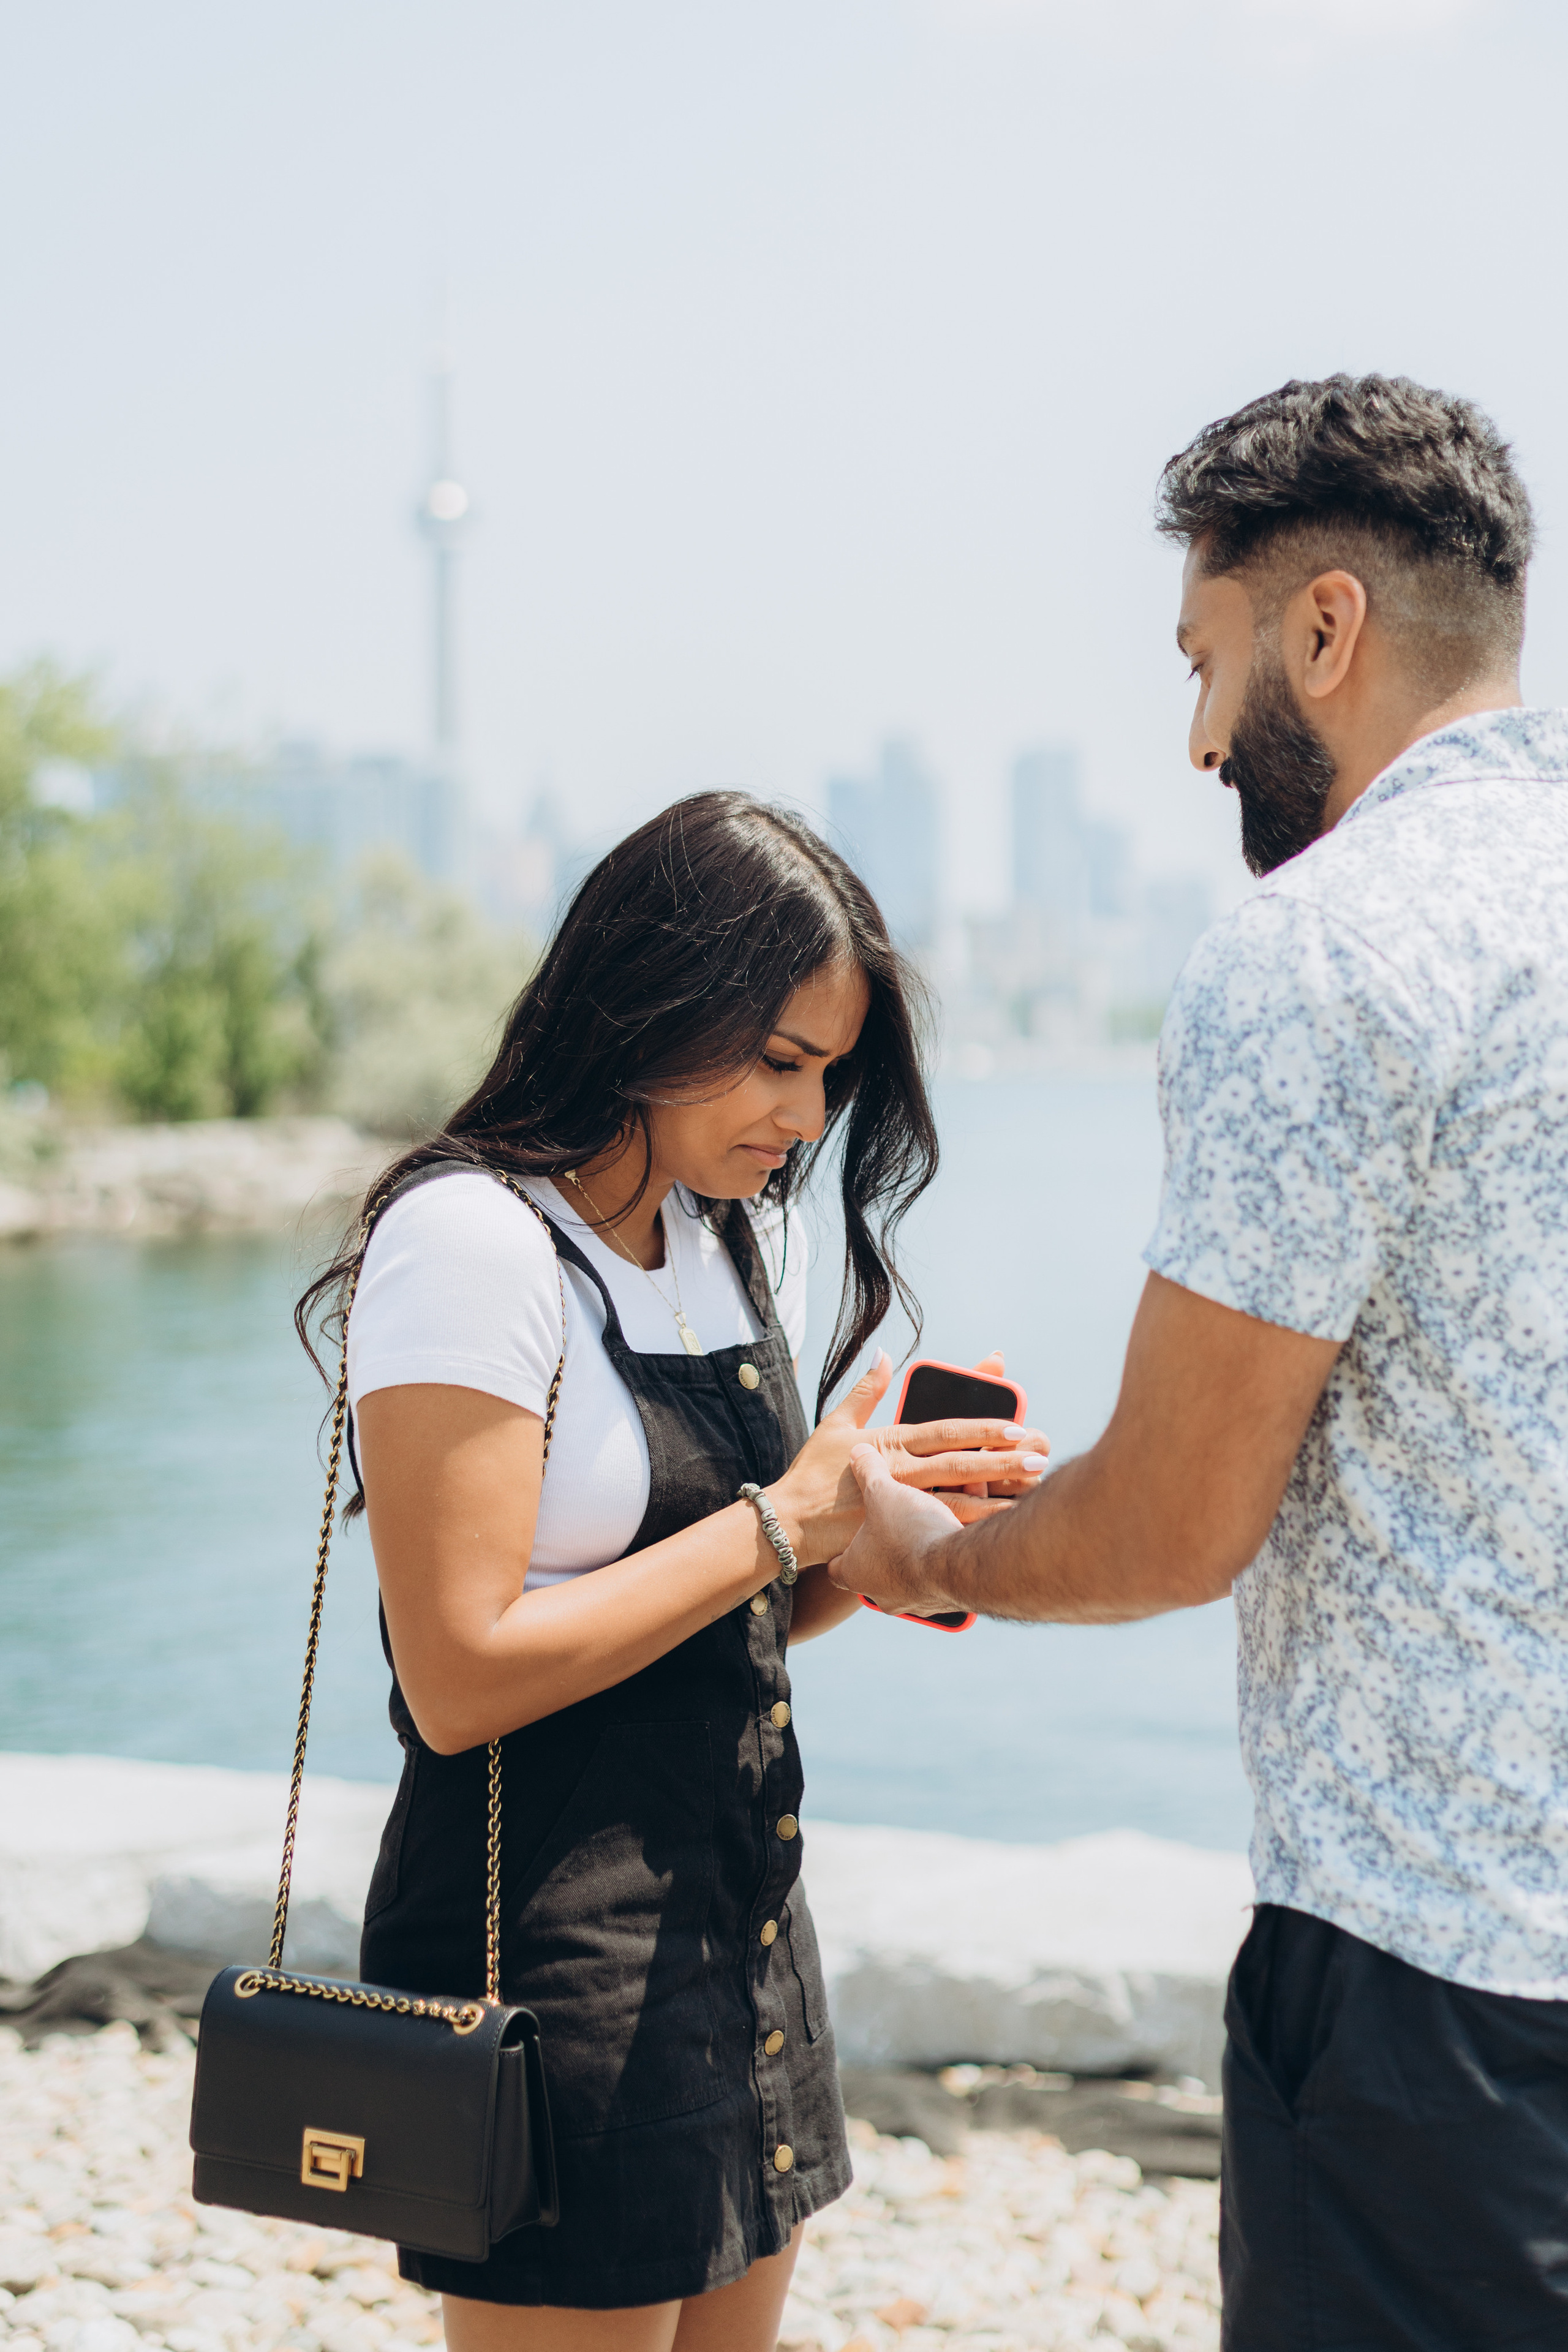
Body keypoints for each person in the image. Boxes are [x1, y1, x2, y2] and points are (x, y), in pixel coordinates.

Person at [831, 374, 1568, 2342]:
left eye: (1208, 660)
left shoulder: (1327, 946)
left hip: (1446, 1993)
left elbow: (1170, 1526)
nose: (1194, 738)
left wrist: (925, 1553)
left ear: (1325, 629)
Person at [298, 790, 1048, 2352]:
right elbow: (456, 1679)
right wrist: (780, 1519)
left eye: (830, 1074)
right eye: (777, 1059)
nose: (805, 1111)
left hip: (743, 1933)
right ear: (649, 1005)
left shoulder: (714, 1240)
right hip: (548, 1975)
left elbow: (733, 1614)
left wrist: (874, 1536)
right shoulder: (473, 1243)